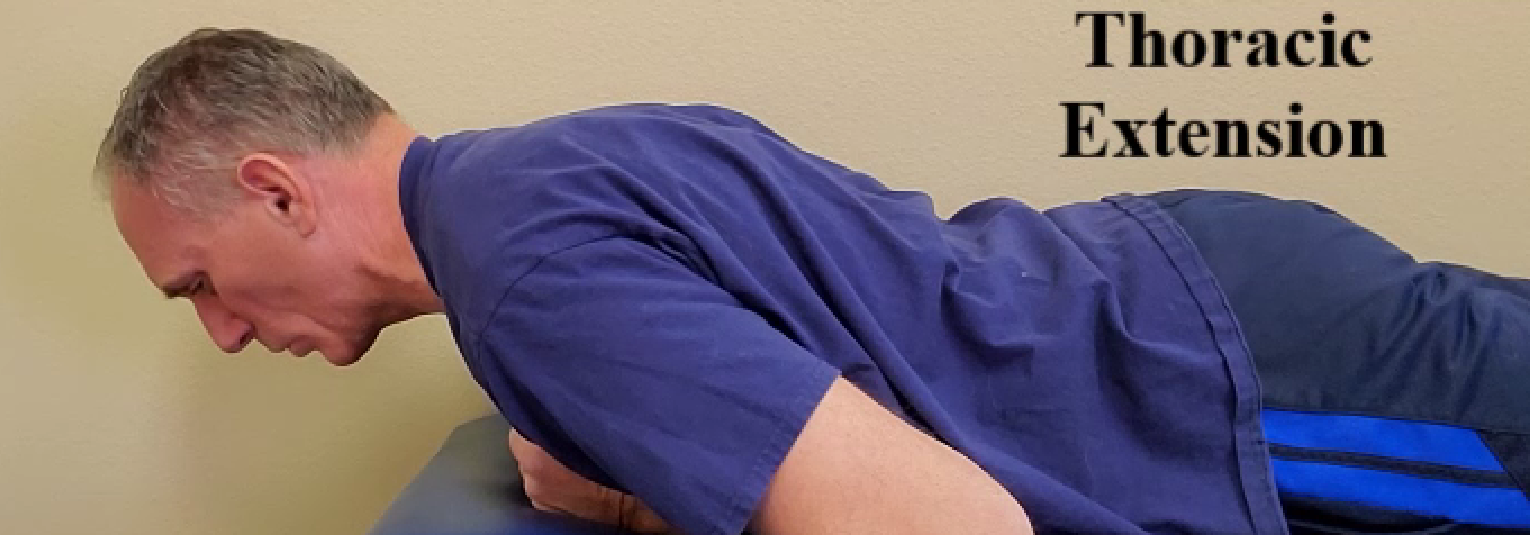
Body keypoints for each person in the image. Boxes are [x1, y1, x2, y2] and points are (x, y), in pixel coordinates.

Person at [98, 29, 1530, 535]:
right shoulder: (546, 168)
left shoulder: (523, 275)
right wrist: (635, 490)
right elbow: (858, 393)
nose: (220, 333)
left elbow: (948, 525)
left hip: (1212, 376)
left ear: (276, 188)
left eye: (199, 283)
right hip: (1191, 284)